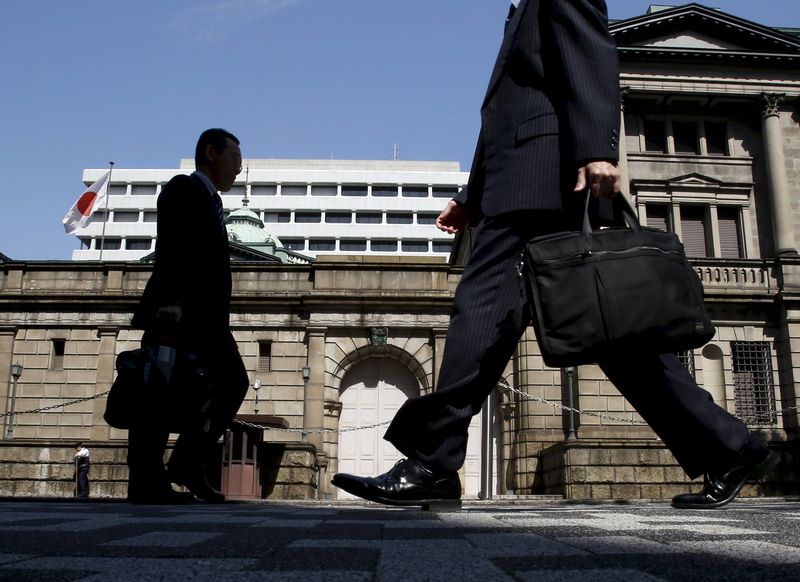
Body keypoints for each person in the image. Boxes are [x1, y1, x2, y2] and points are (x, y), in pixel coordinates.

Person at [333, 0, 777, 510]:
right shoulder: (521, 8)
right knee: (615, 332)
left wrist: (598, 150)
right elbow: (505, 112)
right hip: (524, 181)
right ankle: (728, 447)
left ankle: (432, 461)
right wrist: (472, 196)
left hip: (544, 183)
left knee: (481, 310)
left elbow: (591, 53)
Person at [127, 128, 249, 504]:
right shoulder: (184, 188)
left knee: (218, 386)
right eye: (234, 160)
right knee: (160, 391)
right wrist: (173, 301)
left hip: (205, 320)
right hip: (179, 314)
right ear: (211, 153)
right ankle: (151, 479)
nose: (238, 170)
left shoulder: (212, 204)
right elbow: (174, 248)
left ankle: (183, 465)